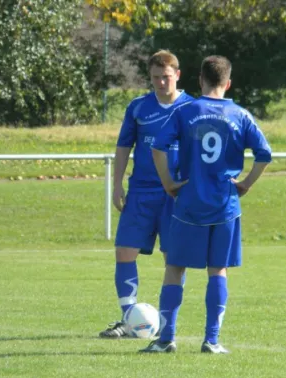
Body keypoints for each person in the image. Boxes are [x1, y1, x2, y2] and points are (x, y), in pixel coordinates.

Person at [141, 55, 272, 354]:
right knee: (218, 270)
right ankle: (211, 340)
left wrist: (168, 183)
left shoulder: (186, 111)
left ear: (200, 80)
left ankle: (165, 339)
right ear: (228, 83)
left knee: (175, 267)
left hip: (188, 203)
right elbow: (264, 154)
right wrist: (246, 184)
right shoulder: (240, 115)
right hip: (224, 204)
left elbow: (158, 147)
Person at [98, 50, 193, 338]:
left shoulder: (193, 108)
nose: (161, 83)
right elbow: (124, 147)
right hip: (140, 191)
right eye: (155, 78)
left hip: (176, 195)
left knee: (173, 259)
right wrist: (116, 185)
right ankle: (129, 320)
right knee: (124, 252)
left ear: (177, 75)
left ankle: (166, 324)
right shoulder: (138, 107)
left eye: (166, 77)